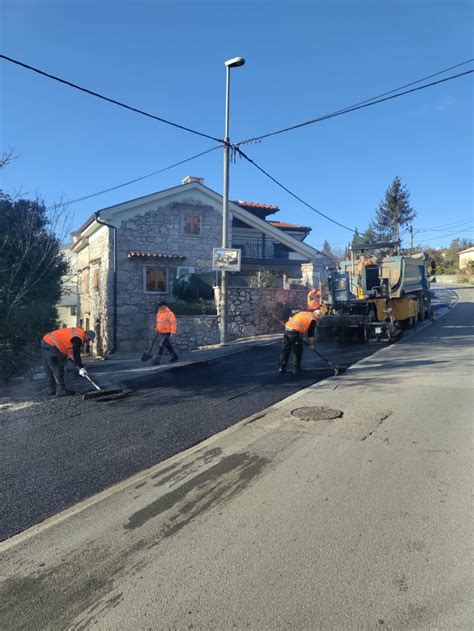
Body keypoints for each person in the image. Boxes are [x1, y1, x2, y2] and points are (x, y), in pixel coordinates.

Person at [41, 326, 96, 397]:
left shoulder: (77, 334)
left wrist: (75, 362)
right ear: (86, 334)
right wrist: (80, 367)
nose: (87, 342)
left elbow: (71, 354)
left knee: (54, 365)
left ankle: (52, 389)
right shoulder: (78, 337)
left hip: (47, 341)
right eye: (88, 339)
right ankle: (61, 391)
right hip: (50, 343)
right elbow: (76, 353)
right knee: (57, 366)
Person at [278, 309, 320, 374]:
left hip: (287, 330)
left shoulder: (303, 313)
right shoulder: (313, 319)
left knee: (286, 349)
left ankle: (281, 368)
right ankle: (296, 369)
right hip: (294, 332)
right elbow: (310, 334)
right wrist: (311, 345)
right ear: (317, 316)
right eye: (319, 319)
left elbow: (292, 316)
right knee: (297, 350)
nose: (318, 321)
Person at [152, 301, 178, 365]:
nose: (160, 307)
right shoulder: (158, 313)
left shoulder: (170, 313)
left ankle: (157, 360)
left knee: (161, 345)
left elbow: (173, 323)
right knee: (167, 345)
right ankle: (175, 356)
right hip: (161, 332)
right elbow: (158, 323)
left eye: (161, 306)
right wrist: (156, 329)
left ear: (164, 306)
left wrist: (173, 332)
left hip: (167, 332)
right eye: (159, 306)